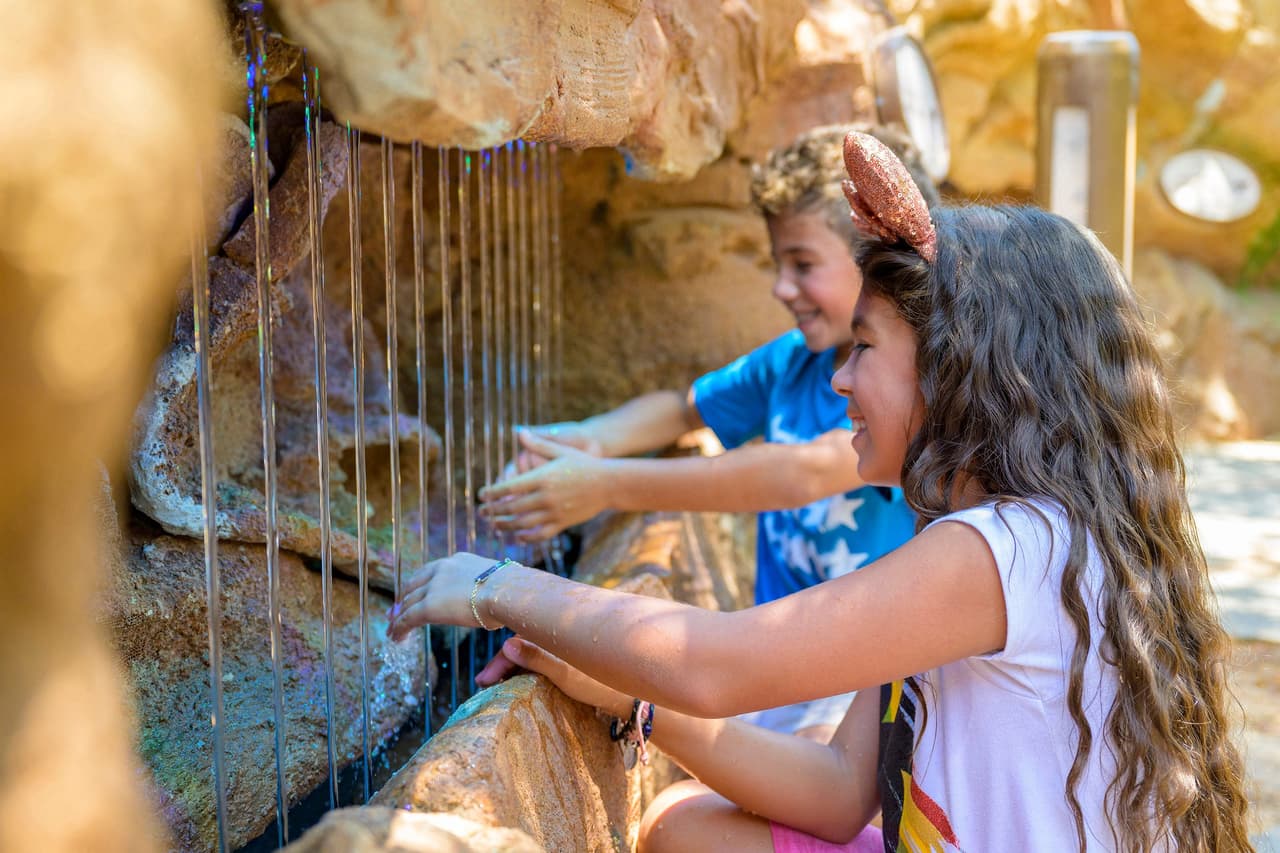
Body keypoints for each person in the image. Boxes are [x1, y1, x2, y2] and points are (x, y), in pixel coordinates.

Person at [389, 134, 1252, 851]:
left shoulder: (1001, 549)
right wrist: (638, 704)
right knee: (679, 826)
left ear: (956, 368)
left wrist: (500, 588)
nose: (839, 381)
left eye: (864, 348)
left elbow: (718, 662)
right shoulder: (981, 537)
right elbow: (844, 791)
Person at [479, 123, 940, 740]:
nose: (781, 287)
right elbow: (681, 408)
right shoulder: (790, 361)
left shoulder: (902, 395)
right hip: (773, 669)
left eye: (802, 264)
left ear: (871, 261)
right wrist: (586, 441)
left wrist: (607, 486)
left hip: (856, 686)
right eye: (778, 263)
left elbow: (796, 473)